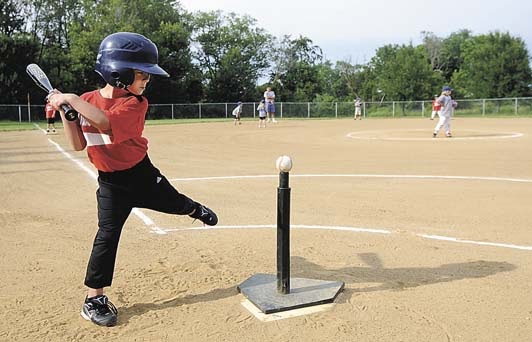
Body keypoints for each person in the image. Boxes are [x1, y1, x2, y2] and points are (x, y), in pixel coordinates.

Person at [47, 32, 218, 327]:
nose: (146, 82)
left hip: (141, 174)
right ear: (118, 73)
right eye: (142, 76)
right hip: (111, 184)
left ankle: (194, 209)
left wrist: (70, 100)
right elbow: (78, 144)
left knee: (175, 203)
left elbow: (105, 122)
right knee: (107, 235)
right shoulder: (86, 101)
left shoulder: (135, 104)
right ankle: (94, 298)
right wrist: (67, 114)